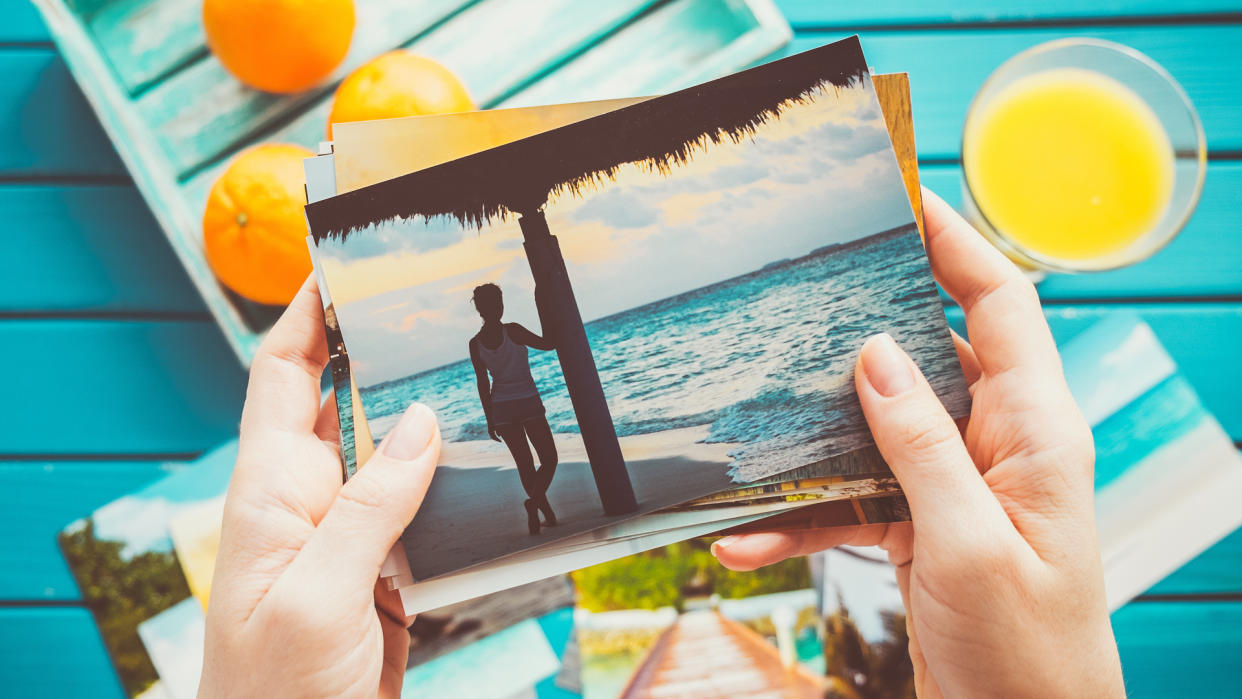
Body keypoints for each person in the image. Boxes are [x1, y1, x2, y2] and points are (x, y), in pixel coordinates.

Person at [199, 190, 1124, 697]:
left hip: (532, 410)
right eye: (487, 305)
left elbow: (551, 347)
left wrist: (557, 336)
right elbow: (492, 376)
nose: (488, 309)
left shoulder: (505, 328)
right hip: (508, 413)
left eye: (490, 303)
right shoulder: (483, 342)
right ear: (480, 310)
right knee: (534, 460)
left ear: (492, 302)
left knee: (548, 467)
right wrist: (488, 405)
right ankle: (526, 490)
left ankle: (531, 493)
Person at [467, 283, 560, 535]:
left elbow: (482, 383)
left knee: (525, 465)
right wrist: (544, 306)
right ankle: (534, 504)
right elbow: (549, 343)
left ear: (479, 310)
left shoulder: (475, 344)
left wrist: (490, 420)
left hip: (501, 409)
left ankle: (547, 514)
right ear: (499, 305)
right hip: (527, 401)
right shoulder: (514, 331)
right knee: (549, 459)